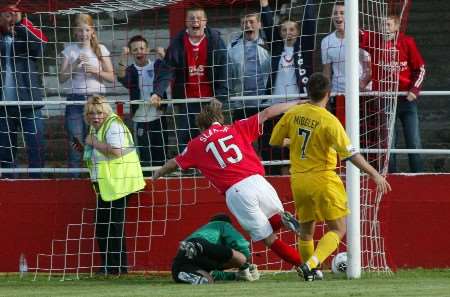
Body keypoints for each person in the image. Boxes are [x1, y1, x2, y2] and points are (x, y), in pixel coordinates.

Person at [153, 100, 308, 277]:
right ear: (220, 118)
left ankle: (302, 265)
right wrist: (297, 103)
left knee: (269, 239)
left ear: (201, 127)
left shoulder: (196, 144)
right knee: (272, 221)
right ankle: (282, 220)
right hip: (259, 181)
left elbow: (174, 163)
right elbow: (266, 113)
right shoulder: (237, 127)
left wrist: (158, 173)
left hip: (237, 191)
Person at [270, 72, 391, 281]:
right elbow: (350, 154)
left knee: (306, 231)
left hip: (299, 180)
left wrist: (293, 143)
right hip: (323, 179)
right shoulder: (329, 121)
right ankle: (311, 264)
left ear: (308, 92)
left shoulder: (293, 113)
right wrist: (374, 174)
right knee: (339, 228)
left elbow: (274, 141)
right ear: (328, 93)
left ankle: (311, 274)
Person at [72, 95, 145, 275]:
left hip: (120, 183)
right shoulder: (96, 128)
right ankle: (111, 266)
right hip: (108, 185)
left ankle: (116, 267)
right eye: (91, 113)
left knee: (113, 226)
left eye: (99, 113)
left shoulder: (113, 125)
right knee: (104, 225)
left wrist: (93, 143)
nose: (95, 117)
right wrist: (84, 148)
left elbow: (117, 151)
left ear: (106, 112)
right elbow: (100, 153)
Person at [149, 7, 228, 154]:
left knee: (213, 137)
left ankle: (212, 170)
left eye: (199, 18)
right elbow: (167, 69)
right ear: (186, 22)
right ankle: (186, 170)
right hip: (186, 100)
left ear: (205, 22)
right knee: (186, 137)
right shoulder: (178, 43)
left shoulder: (216, 41)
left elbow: (225, 69)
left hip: (211, 100)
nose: (195, 21)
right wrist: (157, 93)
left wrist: (221, 95)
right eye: (191, 18)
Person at [259, 0, 316, 175]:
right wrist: (265, 6)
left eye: (292, 29)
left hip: (297, 106)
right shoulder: (277, 48)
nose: (288, 33)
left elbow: (310, 24)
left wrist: (309, 3)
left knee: (296, 143)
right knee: (273, 144)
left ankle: (298, 173)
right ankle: (274, 175)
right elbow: (268, 26)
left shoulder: (304, 47)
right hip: (276, 105)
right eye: (284, 30)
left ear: (297, 32)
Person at [362, 15, 425, 173]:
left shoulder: (407, 42)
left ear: (396, 27)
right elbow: (357, 33)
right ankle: (391, 175)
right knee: (389, 142)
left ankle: (419, 174)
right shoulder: (374, 40)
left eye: (388, 24)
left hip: (406, 99)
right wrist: (343, 15)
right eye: (382, 24)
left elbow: (421, 68)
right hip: (385, 99)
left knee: (413, 140)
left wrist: (414, 89)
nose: (385, 27)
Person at [59, 14, 114, 175]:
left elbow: (111, 77)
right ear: (75, 32)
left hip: (97, 101)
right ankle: (74, 182)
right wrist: (75, 65)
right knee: (76, 144)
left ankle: (101, 179)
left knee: (100, 143)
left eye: (86, 30)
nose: (83, 34)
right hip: (75, 101)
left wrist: (95, 71)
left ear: (92, 31)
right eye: (80, 30)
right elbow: (61, 78)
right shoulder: (69, 50)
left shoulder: (101, 49)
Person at [0, 6, 47, 178]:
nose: (10, 15)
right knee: (6, 151)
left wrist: (19, 23)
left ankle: (37, 183)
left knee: (36, 147)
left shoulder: (28, 30)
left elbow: (40, 47)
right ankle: (9, 185)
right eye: (6, 12)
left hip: (29, 103)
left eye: (14, 12)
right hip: (3, 106)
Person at [117, 35, 167, 173]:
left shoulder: (156, 65)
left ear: (148, 49)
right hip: (140, 119)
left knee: (161, 154)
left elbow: (169, 71)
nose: (139, 52)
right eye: (135, 50)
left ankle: (161, 182)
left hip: (158, 117)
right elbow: (121, 77)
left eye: (141, 48)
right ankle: (146, 182)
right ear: (131, 53)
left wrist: (164, 56)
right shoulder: (131, 70)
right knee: (144, 157)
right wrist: (123, 57)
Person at [172, 213, 260, 284]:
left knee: (209, 279)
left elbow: (214, 273)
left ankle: (180, 275)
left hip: (184, 251)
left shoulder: (202, 232)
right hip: (199, 245)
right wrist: (245, 267)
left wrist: (236, 275)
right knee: (241, 258)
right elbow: (241, 245)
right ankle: (182, 274)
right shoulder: (222, 224)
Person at [321, 1, 372, 113]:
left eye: (342, 12)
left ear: (350, 14)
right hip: (338, 93)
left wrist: (362, 84)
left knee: (362, 129)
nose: (338, 16)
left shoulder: (363, 37)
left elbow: (370, 67)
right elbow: (326, 71)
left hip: (362, 93)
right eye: (335, 13)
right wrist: (326, 94)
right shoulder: (326, 41)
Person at [227, 12, 271, 121]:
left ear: (259, 24)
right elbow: (228, 73)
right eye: (244, 22)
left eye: (251, 21)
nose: (247, 25)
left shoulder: (269, 44)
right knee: (241, 136)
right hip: (241, 102)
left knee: (265, 136)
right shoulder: (232, 47)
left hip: (265, 101)